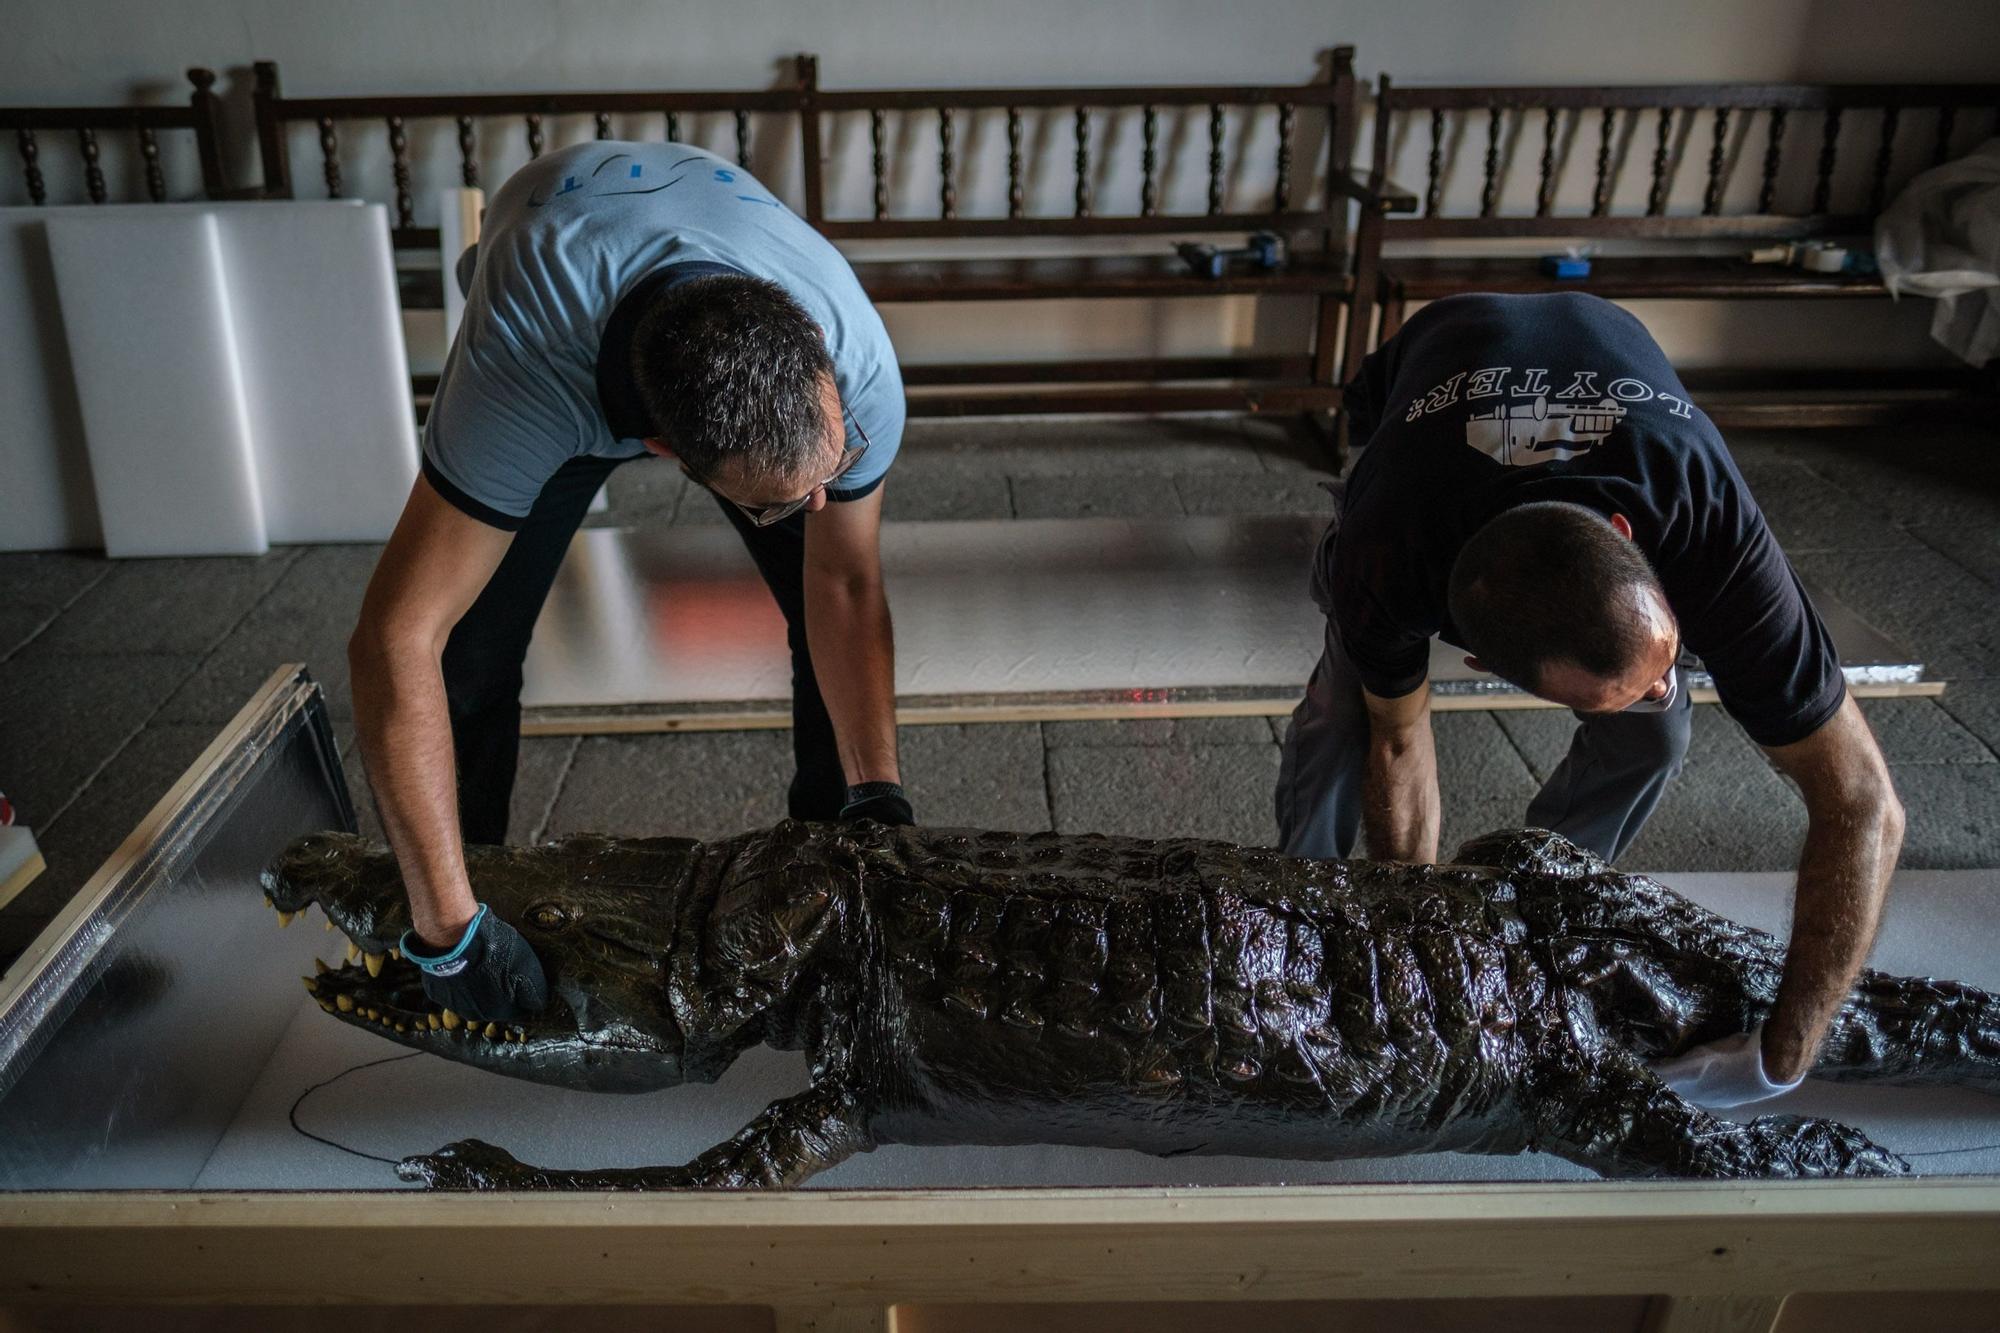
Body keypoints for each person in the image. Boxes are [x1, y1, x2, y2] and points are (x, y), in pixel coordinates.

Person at [1276, 292, 1905, 1099]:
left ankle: (1531, 900)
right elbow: (1400, 742)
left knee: (1657, 732)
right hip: (1422, 387)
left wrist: (1781, 1058)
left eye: (1667, 654)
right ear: (1478, 658)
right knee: (1346, 721)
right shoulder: (1389, 556)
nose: (1667, 680)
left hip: (1605, 348)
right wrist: (1415, 949)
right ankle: (1296, 915)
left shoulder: (1707, 518)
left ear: (1629, 536)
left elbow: (1865, 803)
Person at [348, 141, 911, 1024]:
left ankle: (825, 854)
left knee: (816, 594)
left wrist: (875, 795)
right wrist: (443, 923)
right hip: (553, 263)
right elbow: (395, 637)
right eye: (785, 500)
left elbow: (841, 582)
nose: (818, 502)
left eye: (831, 471)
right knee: (470, 652)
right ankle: (474, 876)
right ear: (661, 456)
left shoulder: (857, 362)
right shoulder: (522, 381)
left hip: (696, 224)